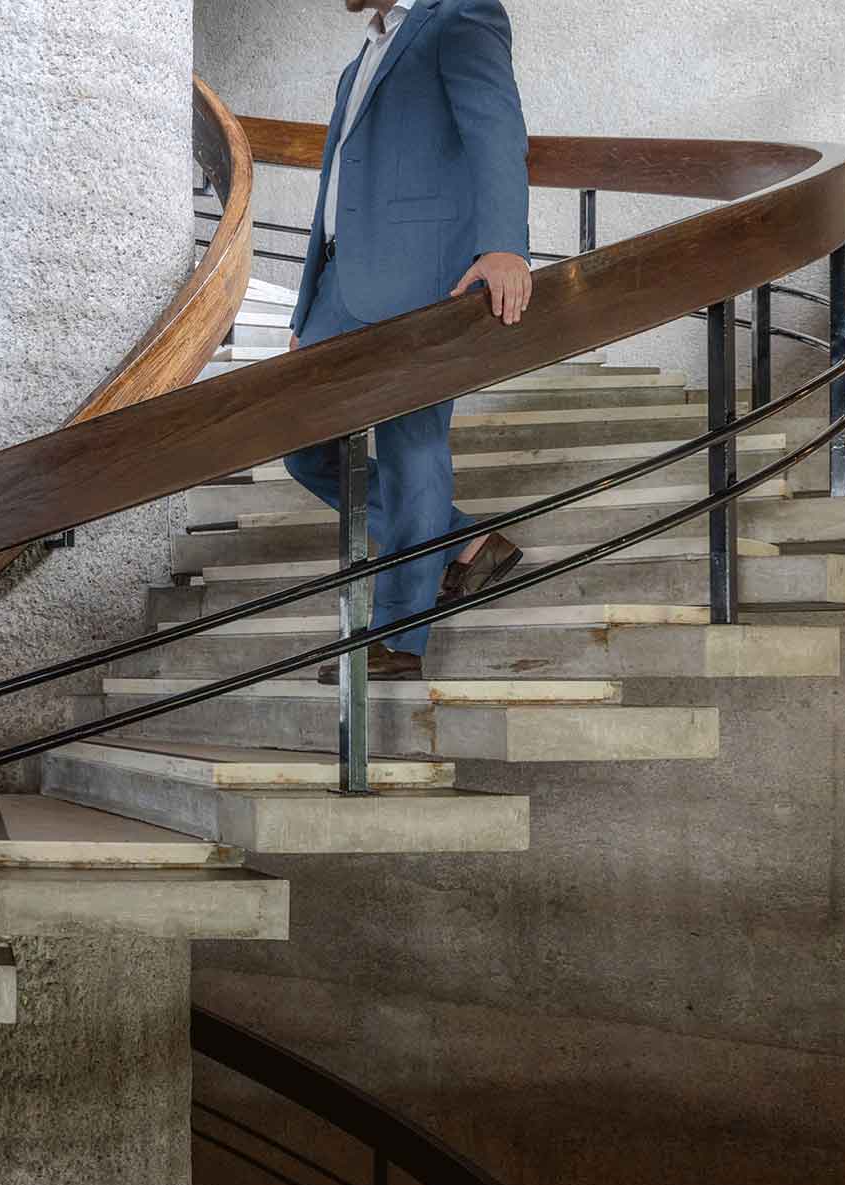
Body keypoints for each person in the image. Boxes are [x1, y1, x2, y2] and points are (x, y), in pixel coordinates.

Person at [286, 0, 534, 683]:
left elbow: (496, 132)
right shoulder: (356, 63)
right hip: (339, 283)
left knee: (410, 449)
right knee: (300, 448)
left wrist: (504, 247)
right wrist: (310, 296)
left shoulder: (462, 18)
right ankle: (461, 539)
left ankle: (397, 639)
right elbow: (337, 185)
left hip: (423, 279)